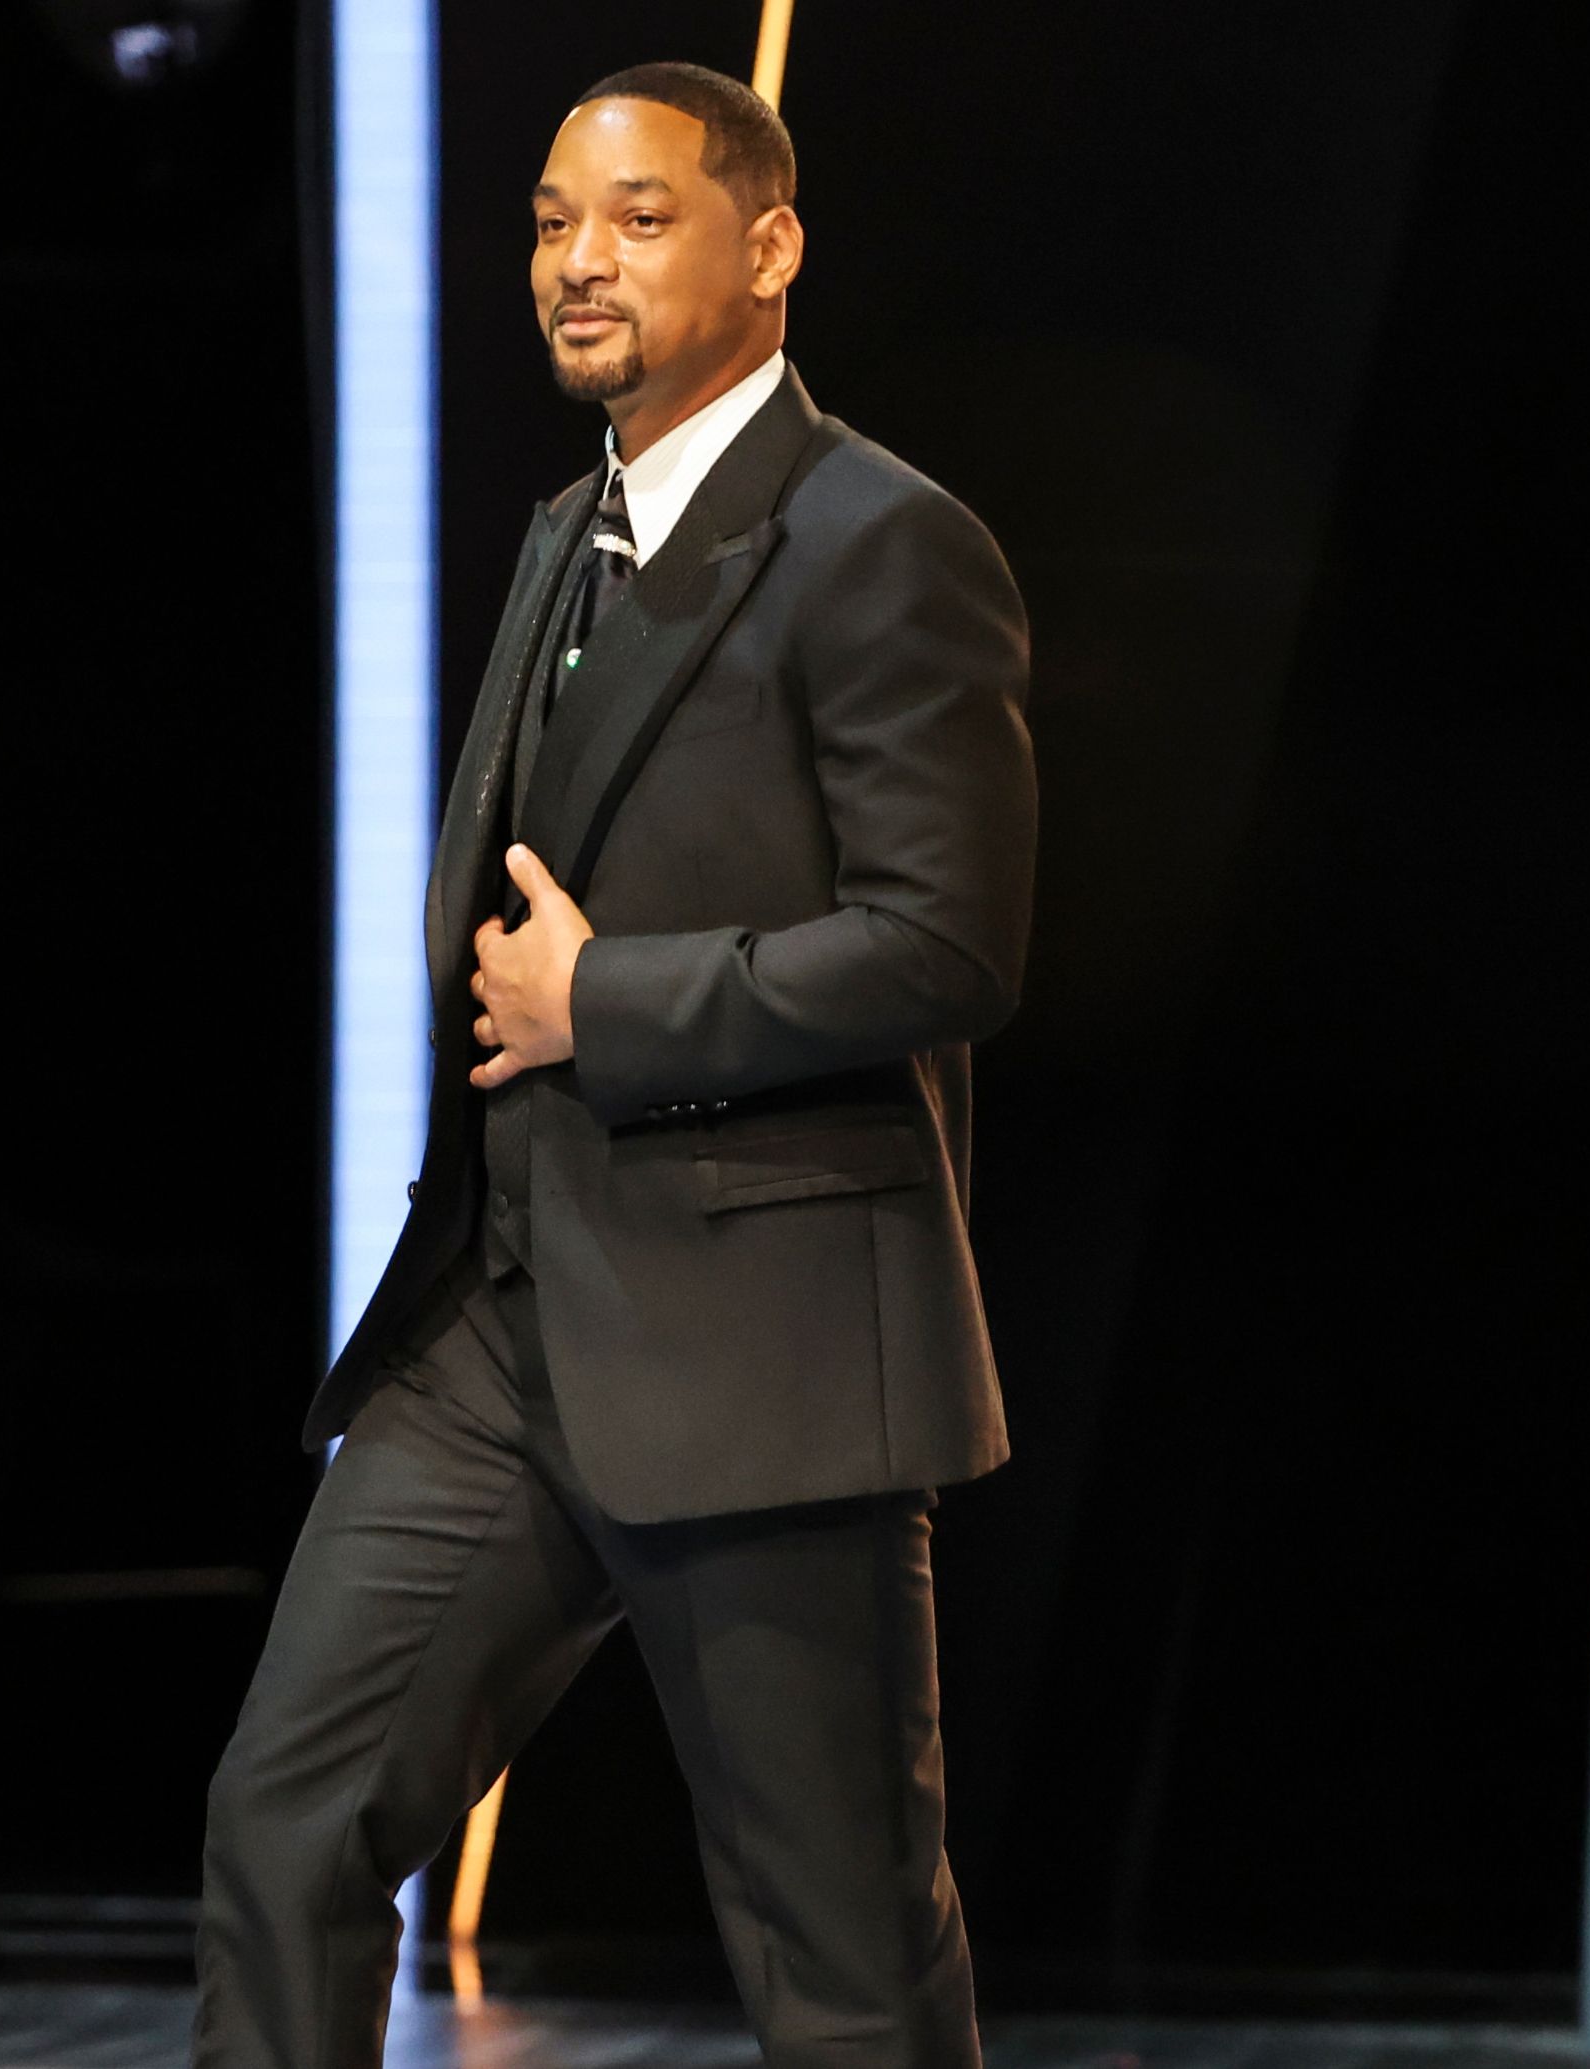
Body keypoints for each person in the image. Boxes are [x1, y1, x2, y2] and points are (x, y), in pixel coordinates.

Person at [193, 59, 1036, 2069]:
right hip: (505, 1329)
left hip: (766, 1348)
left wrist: (615, 1004)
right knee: (288, 1826)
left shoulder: (881, 542)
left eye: (640, 219)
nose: (580, 260)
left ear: (772, 246)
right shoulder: (569, 532)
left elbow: (948, 943)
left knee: (839, 1951)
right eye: (555, 222)